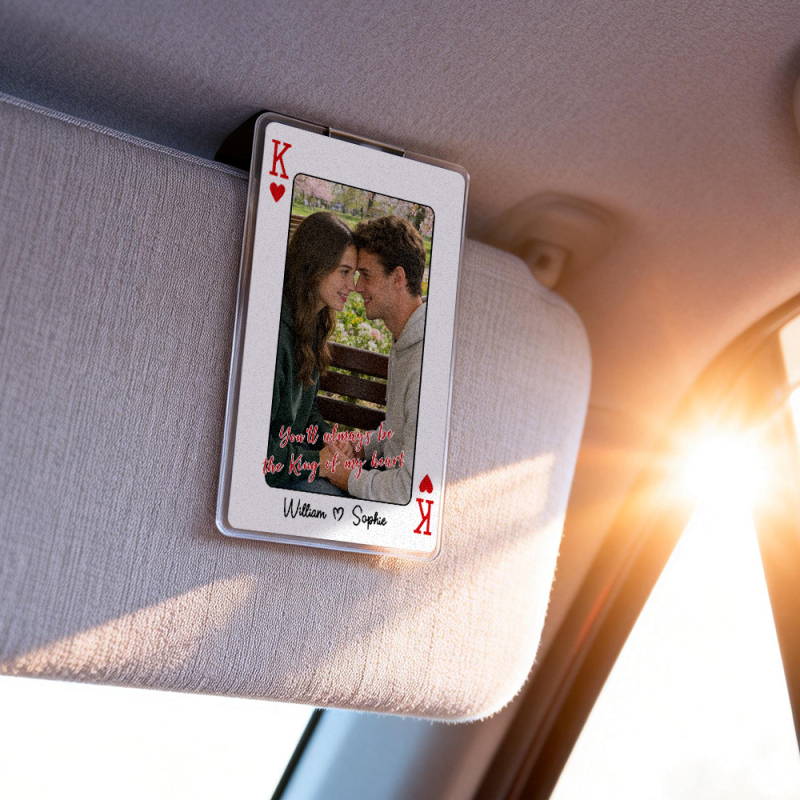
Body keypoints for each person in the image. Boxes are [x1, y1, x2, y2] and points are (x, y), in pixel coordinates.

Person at [321, 215, 427, 504]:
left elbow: (409, 489)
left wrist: (348, 477)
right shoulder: (405, 339)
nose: (357, 287)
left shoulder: (424, 365)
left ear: (398, 278)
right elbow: (398, 435)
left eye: (366, 275)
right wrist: (361, 446)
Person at [266, 212, 355, 495]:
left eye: (353, 274)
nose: (352, 286)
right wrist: (319, 462)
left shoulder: (313, 322)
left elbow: (305, 409)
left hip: (294, 457)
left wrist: (328, 439)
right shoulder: (273, 335)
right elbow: (259, 452)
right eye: (344, 272)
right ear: (316, 265)